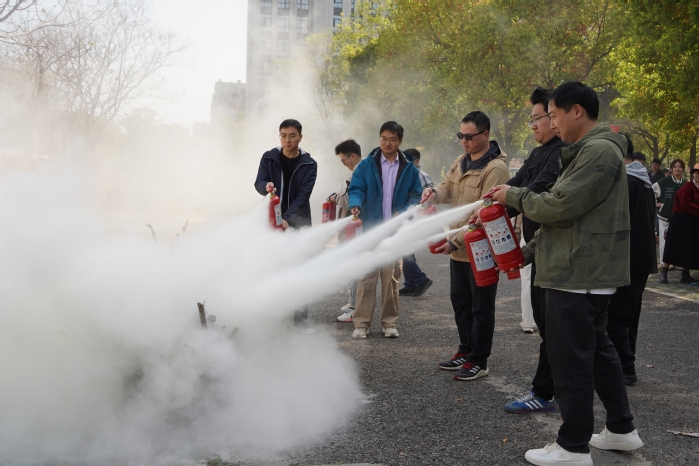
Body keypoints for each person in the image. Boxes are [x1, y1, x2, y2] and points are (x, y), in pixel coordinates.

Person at [491, 81, 643, 465]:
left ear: (577, 111)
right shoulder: (587, 151)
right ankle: (621, 429)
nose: (551, 123)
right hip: (581, 272)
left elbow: (559, 206)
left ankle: (572, 446)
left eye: (554, 115)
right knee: (598, 354)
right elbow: (568, 220)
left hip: (576, 275)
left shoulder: (597, 152)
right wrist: (526, 253)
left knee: (569, 360)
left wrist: (512, 195)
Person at [422, 111, 509, 381]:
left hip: (481, 249)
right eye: (461, 135)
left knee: (481, 306)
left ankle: (479, 360)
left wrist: (454, 241)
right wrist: (433, 193)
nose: (464, 140)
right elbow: (447, 187)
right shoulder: (462, 161)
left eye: (469, 136)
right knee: (460, 301)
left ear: (485, 135)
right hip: (459, 250)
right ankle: (465, 349)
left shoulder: (495, 168)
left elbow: (484, 212)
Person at [502, 87, 566, 414]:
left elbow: (536, 190)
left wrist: (506, 198)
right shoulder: (539, 153)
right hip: (539, 250)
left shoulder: (562, 154)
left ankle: (545, 392)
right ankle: (554, 389)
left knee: (555, 328)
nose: (534, 125)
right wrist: (493, 205)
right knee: (548, 325)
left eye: (539, 118)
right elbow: (518, 183)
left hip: (556, 255)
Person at [347, 121, 422, 339]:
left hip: (394, 233)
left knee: (391, 280)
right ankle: (361, 324)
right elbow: (356, 189)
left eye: (392, 139)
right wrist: (356, 204)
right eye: (383, 138)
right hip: (370, 231)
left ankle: (389, 323)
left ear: (400, 141)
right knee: (366, 278)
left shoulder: (408, 168)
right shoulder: (366, 165)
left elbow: (415, 196)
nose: (386, 143)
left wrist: (404, 212)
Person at [254, 119, 318, 327]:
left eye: (292, 136)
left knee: (301, 270)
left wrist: (287, 219)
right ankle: (274, 318)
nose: (287, 140)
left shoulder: (309, 164)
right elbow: (258, 182)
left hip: (299, 223)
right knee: (272, 268)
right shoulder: (269, 158)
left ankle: (300, 321)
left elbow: (303, 196)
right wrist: (265, 186)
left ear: (300, 137)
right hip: (271, 222)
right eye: (283, 136)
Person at [606, 137, 657, 387]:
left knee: (615, 317)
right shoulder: (643, 179)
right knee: (629, 316)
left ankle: (624, 368)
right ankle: (627, 364)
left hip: (627, 259)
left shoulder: (625, 182)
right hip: (642, 258)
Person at [331, 139, 362, 322]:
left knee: (353, 268)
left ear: (353, 156)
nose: (344, 164)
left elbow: (350, 200)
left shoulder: (359, 173)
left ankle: (354, 307)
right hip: (351, 228)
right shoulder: (359, 172)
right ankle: (352, 302)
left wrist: (335, 197)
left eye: (344, 161)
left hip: (355, 229)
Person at [398, 148, 434, 298]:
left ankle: (421, 279)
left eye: (407, 161)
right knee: (407, 250)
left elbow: (430, 195)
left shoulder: (422, 176)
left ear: (416, 162)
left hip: (415, 218)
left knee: (403, 249)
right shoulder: (409, 175)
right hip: (407, 217)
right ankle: (411, 283)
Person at [659, 163, 699, 284]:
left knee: (688, 246)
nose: (698, 176)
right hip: (680, 219)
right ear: (693, 175)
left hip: (692, 220)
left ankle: (685, 275)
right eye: (697, 174)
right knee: (672, 245)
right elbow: (686, 203)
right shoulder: (688, 186)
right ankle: (664, 272)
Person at [655, 159, 686, 283]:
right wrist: (658, 203)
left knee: (680, 241)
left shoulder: (685, 183)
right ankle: (664, 266)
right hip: (665, 216)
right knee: (665, 241)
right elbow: (651, 191)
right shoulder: (664, 181)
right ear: (672, 169)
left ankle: (679, 265)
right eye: (675, 166)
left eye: (680, 167)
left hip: (681, 218)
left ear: (683, 169)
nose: (677, 169)